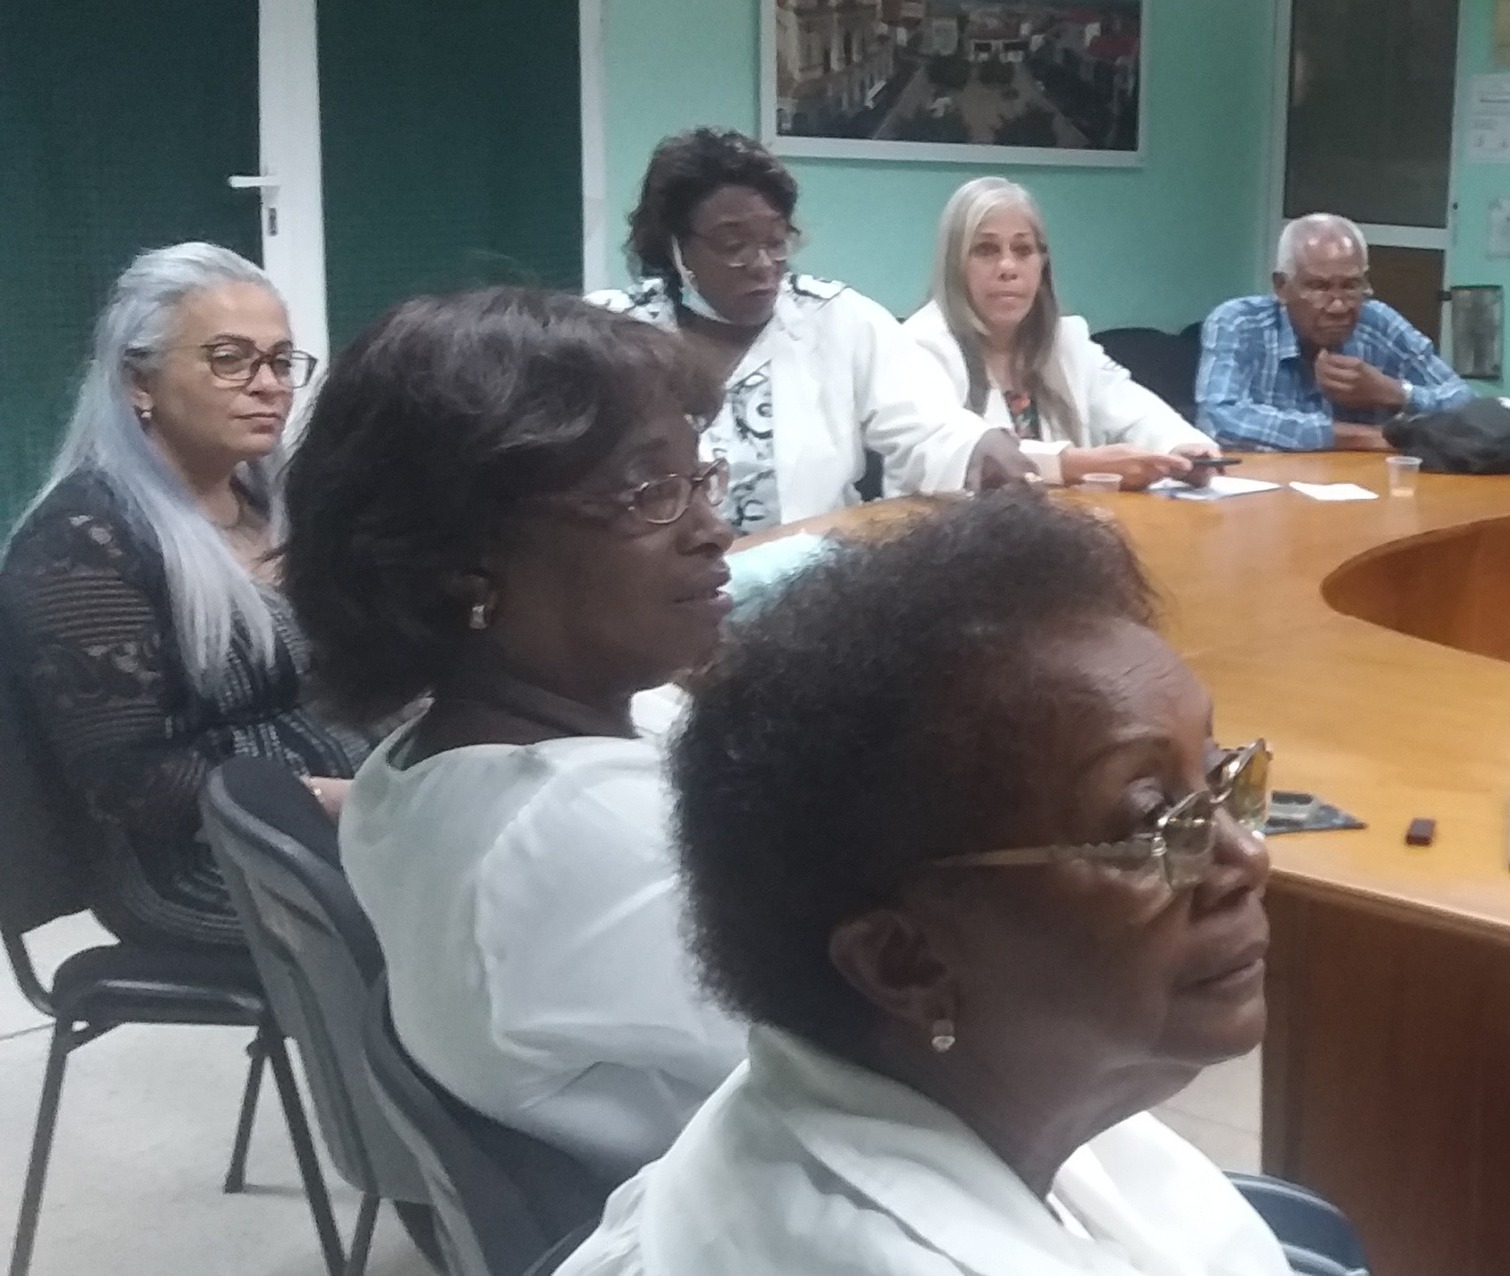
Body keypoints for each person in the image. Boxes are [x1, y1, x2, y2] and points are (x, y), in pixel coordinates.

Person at [557, 490, 1293, 1275]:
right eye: (1149, 823)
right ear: (905, 962)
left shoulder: (973, 1090)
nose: (1245, 859)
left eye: (1221, 778)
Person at [282, 289, 751, 1181]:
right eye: (649, 492)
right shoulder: (581, 838)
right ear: (466, 557)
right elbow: (918, 1062)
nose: (712, 529)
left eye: (700, 479)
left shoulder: (408, 769)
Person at [0, 243, 366, 952]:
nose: (269, 386)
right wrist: (329, 799)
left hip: (338, 817)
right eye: (231, 359)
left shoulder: (273, 505)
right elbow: (132, 779)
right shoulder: (82, 540)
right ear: (139, 382)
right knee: (447, 908)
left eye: (281, 361)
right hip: (194, 860)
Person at [590, 127, 1030, 534]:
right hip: (659, 586)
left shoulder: (837, 318)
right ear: (675, 246)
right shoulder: (613, 332)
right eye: (733, 245)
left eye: (776, 241)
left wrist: (976, 444)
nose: (763, 265)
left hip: (809, 580)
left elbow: (925, 422)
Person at [902, 176, 1221, 491]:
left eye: (1023, 250)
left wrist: (1181, 446)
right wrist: (1076, 465)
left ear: (1042, 264)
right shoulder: (920, 345)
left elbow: (1133, 409)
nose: (1008, 267)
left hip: (1062, 520)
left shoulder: (1066, 339)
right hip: (948, 523)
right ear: (954, 265)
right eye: (986, 250)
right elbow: (947, 451)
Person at [1197, 213, 1471, 452]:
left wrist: (1395, 392)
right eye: (1319, 287)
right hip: (1263, 489)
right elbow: (1220, 418)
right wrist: (1361, 437)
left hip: (1362, 487)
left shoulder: (1378, 324)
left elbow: (1469, 407)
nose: (1339, 306)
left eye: (1351, 286)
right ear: (1281, 287)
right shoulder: (1240, 323)